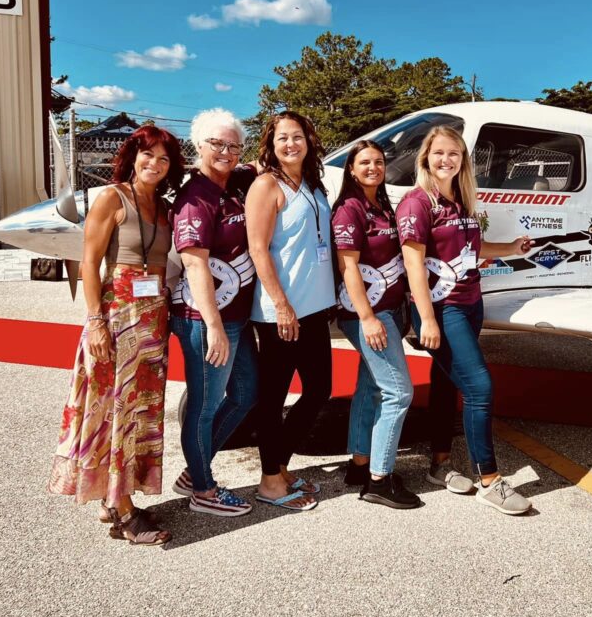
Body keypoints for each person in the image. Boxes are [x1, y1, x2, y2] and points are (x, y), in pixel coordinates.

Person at [49, 125, 184, 544]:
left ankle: (115, 497)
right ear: (133, 156)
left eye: (164, 159)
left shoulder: (163, 207)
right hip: (117, 314)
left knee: (139, 413)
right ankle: (124, 511)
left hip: (152, 320)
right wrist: (94, 322)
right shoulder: (113, 197)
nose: (155, 165)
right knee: (112, 412)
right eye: (148, 156)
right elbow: (89, 262)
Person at [397, 125, 534, 516]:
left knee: (445, 384)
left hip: (472, 304)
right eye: (439, 153)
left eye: (454, 154)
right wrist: (426, 320)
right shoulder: (417, 203)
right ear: (426, 158)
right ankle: (490, 479)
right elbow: (413, 265)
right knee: (479, 387)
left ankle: (440, 465)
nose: (447, 160)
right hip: (444, 309)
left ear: (463, 160)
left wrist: (511, 248)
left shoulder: (459, 200)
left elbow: (473, 248)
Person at [169, 109, 258, 517]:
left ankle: (195, 468)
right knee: (206, 404)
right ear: (198, 146)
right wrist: (214, 328)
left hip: (235, 317)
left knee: (245, 394)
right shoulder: (195, 198)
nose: (225, 152)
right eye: (216, 144)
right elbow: (194, 264)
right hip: (206, 320)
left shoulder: (234, 186)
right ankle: (203, 490)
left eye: (233, 145)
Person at [246, 111, 335, 511]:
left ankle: (278, 466)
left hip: (314, 308)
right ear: (271, 143)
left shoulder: (315, 185)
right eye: (282, 138)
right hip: (280, 312)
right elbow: (258, 248)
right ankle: (270, 481)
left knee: (319, 390)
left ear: (308, 139)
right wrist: (282, 305)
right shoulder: (267, 185)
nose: (290, 144)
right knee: (274, 396)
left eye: (296, 136)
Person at [332, 140, 419, 509]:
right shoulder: (349, 210)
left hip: (391, 310)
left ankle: (359, 464)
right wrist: (367, 318)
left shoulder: (381, 205)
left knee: (370, 388)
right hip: (367, 314)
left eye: (379, 162)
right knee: (399, 392)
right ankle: (380, 480)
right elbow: (347, 266)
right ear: (351, 169)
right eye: (364, 162)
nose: (373, 167)